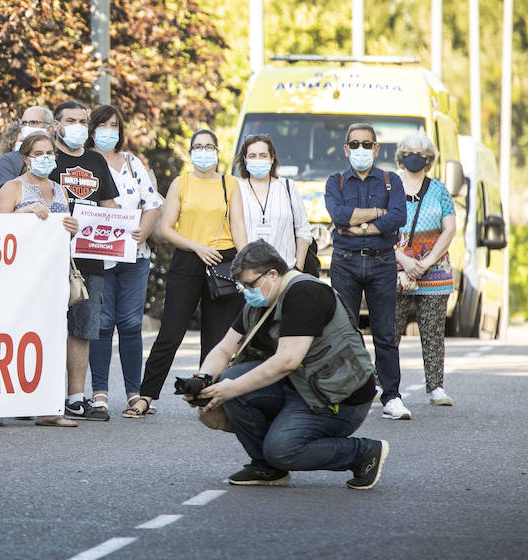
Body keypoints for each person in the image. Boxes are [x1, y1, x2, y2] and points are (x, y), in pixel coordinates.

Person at [189, 240, 389, 490]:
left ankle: (362, 453)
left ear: (272, 274)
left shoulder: (305, 294)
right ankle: (266, 467)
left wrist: (230, 388)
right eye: (242, 285)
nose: (245, 291)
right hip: (301, 386)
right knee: (231, 377)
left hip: (338, 400)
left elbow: (287, 360)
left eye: (250, 284)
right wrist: (205, 379)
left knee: (280, 447)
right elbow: (224, 348)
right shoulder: (261, 300)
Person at [129, 129, 242, 418]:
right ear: (190, 153)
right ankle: (145, 396)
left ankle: (209, 396)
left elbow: (239, 227)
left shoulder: (231, 184)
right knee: (170, 331)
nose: (203, 152)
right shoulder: (181, 183)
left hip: (223, 262)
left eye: (209, 147)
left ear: (218, 151)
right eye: (198, 147)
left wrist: (245, 266)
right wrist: (197, 247)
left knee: (217, 337)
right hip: (188, 260)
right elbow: (166, 230)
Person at [0, 132, 79, 428]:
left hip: (51, 277)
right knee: (9, 337)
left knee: (49, 340)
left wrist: (71, 226)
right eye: (38, 153)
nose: (46, 158)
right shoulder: (13, 188)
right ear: (26, 158)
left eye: (49, 153)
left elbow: (63, 231)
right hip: (16, 277)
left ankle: (48, 408)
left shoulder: (60, 190)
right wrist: (24, 212)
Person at [324, 123, 408, 420]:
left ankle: (392, 396)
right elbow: (337, 216)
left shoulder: (391, 181)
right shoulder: (336, 182)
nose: (361, 149)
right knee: (346, 329)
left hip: (382, 262)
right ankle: (357, 389)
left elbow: (398, 215)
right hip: (344, 262)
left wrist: (356, 225)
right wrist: (376, 215)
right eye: (354, 144)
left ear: (376, 148)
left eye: (366, 144)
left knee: (385, 332)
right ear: (346, 149)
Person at [44, 100, 121, 421]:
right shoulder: (45, 159)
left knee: (83, 328)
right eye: (70, 120)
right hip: (49, 257)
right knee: (45, 326)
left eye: (82, 120)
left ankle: (75, 398)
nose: (77, 125)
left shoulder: (95, 161)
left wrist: (116, 222)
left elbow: (110, 206)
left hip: (89, 257)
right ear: (56, 125)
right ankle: (41, 395)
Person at [86, 104, 162, 419]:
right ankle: (99, 393)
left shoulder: (132, 163)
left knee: (130, 325)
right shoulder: (84, 162)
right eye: (103, 125)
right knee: (101, 325)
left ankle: (135, 393)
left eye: (114, 125)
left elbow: (152, 202)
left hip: (134, 256)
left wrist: (142, 234)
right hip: (96, 256)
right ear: (92, 129)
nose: (109, 131)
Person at [391, 134, 457, 407]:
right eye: (409, 152)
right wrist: (404, 260)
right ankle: (382, 383)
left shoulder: (439, 189)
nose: (415, 156)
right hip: (395, 268)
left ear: (429, 159)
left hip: (435, 271)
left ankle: (435, 387)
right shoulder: (388, 186)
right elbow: (380, 227)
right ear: (401, 155)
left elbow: (450, 228)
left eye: (420, 153)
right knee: (389, 331)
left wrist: (426, 262)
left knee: (432, 331)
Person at [229, 134, 312, 270]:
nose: (258, 160)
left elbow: (303, 230)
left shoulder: (288, 187)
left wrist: (298, 266)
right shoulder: (236, 188)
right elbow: (234, 230)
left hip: (285, 270)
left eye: (263, 155)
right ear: (245, 159)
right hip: (249, 273)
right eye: (252, 156)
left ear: (272, 159)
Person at [0, 105, 54, 186]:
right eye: (24, 123)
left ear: (49, 128)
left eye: (33, 123)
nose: (27, 127)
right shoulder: (10, 160)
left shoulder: (57, 158)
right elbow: (6, 194)